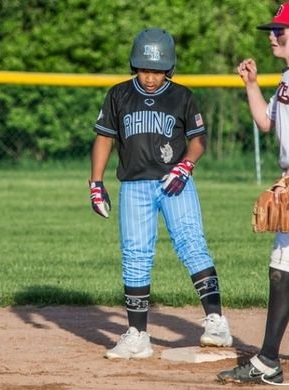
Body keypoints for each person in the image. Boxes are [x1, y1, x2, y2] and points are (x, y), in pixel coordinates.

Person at [89, 27, 232, 360]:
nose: (150, 77)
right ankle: (138, 335)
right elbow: (104, 138)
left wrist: (186, 166)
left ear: (169, 69)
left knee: (191, 243)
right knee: (135, 255)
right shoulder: (118, 95)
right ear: (134, 66)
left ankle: (216, 323)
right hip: (134, 185)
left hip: (175, 182)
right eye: (144, 69)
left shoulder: (181, 96)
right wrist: (96, 183)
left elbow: (198, 140)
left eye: (157, 70)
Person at [217, 3, 289, 385]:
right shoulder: (285, 79)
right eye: (273, 30)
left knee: (283, 269)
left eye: (281, 30)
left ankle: (267, 362)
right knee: (282, 269)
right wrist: (250, 85)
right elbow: (266, 122)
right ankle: (268, 360)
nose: (272, 35)